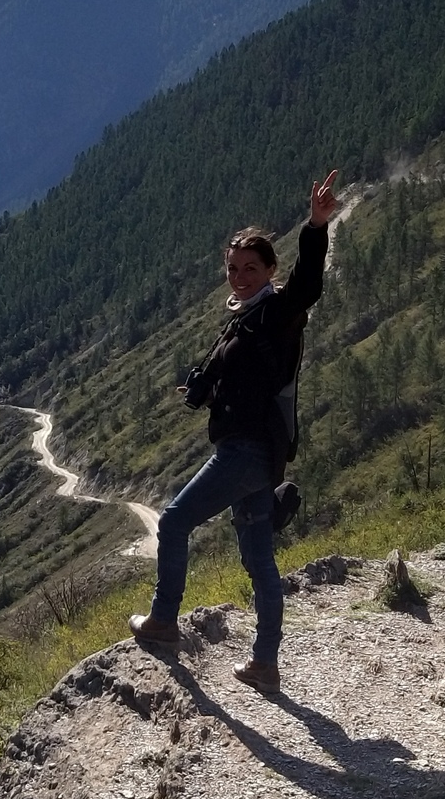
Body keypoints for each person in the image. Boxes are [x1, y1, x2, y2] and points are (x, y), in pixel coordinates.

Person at [130, 171, 339, 695]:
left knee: (175, 522)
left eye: (251, 268)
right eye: (233, 269)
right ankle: (265, 663)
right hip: (262, 457)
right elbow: (240, 375)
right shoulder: (244, 320)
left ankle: (162, 621)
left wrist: (315, 227)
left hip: (248, 452)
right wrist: (205, 388)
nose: (240, 276)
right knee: (258, 559)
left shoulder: (276, 313)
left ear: (270, 269)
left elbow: (308, 285)